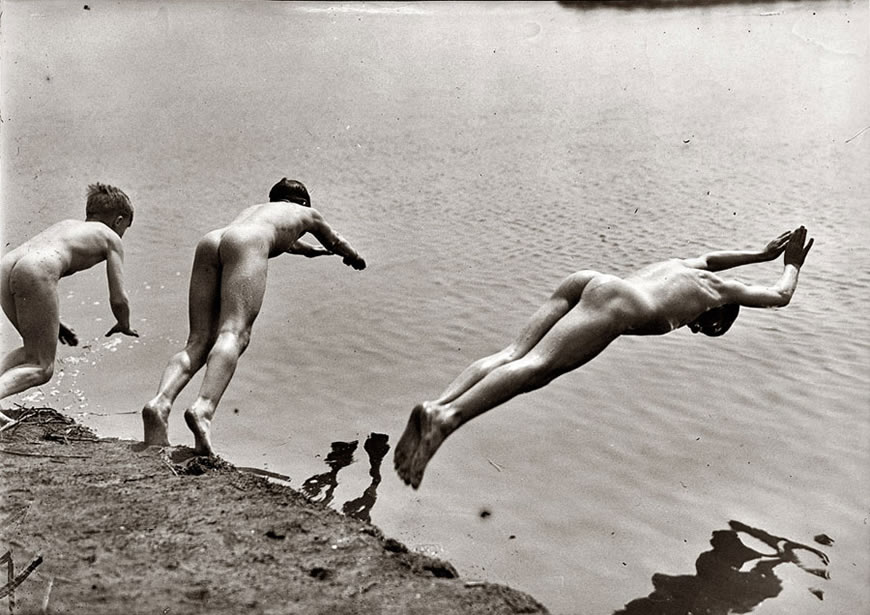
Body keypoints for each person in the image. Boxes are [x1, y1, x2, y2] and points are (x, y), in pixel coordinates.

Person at [394, 227, 814, 488]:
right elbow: (780, 296)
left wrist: (761, 255)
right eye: (702, 326)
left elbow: (713, 258)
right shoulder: (719, 293)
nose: (694, 327)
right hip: (619, 304)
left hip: (589, 279)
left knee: (512, 353)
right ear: (717, 314)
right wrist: (791, 265)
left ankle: (439, 404)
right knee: (537, 368)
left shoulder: (690, 268)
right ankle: (446, 421)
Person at [142, 178, 366, 456]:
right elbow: (336, 240)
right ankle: (203, 409)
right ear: (303, 203)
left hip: (213, 240)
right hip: (247, 244)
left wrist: (312, 252)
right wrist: (353, 257)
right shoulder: (308, 214)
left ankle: (160, 403)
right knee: (234, 333)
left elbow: (291, 243)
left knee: (199, 339)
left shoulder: (257, 211)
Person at [0, 183, 138, 422]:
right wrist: (123, 323)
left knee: (30, 351)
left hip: (6, 266)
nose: (123, 233)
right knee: (43, 366)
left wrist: (55, 322)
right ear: (118, 220)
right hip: (36, 270)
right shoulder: (111, 238)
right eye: (126, 227)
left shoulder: (67, 225)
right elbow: (118, 298)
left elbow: (33, 262)